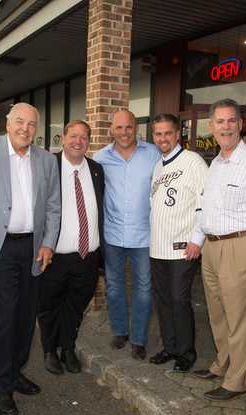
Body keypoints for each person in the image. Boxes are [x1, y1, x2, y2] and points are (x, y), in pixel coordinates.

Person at [190, 99, 246, 401]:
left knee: (241, 316)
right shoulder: (215, 164)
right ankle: (222, 364)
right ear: (212, 127)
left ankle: (238, 381)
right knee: (218, 314)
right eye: (220, 121)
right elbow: (205, 208)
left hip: (242, 246)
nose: (226, 127)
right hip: (212, 248)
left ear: (241, 124)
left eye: (231, 121)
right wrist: (198, 239)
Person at [0, 103, 61, 415]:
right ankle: (1, 386)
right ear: (8, 123)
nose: (25, 128)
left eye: (32, 124)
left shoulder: (47, 160)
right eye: (19, 121)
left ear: (37, 129)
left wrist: (49, 243)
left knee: (26, 317)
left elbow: (53, 206)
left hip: (33, 249)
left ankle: (16, 370)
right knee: (6, 317)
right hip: (0, 248)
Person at [37, 120, 104, 375]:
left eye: (84, 137)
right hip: (55, 256)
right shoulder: (48, 167)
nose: (78, 141)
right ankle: (49, 350)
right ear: (62, 139)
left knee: (76, 306)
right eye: (73, 136)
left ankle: (68, 348)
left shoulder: (96, 170)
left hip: (87, 256)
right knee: (49, 306)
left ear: (88, 141)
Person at [94, 110, 161, 360]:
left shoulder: (153, 154)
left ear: (137, 128)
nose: (124, 132)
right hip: (112, 235)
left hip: (144, 235)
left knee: (144, 288)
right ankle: (120, 331)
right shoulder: (101, 158)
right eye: (119, 128)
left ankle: (139, 339)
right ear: (112, 130)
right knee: (114, 287)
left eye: (129, 127)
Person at [148, 113, 208, 372]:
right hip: (158, 246)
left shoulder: (193, 161)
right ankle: (170, 347)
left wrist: (197, 240)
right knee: (163, 299)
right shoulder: (158, 165)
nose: (163, 138)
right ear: (154, 136)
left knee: (179, 299)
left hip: (183, 246)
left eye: (167, 133)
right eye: (158, 134)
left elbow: (205, 203)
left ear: (178, 134)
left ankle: (186, 352)